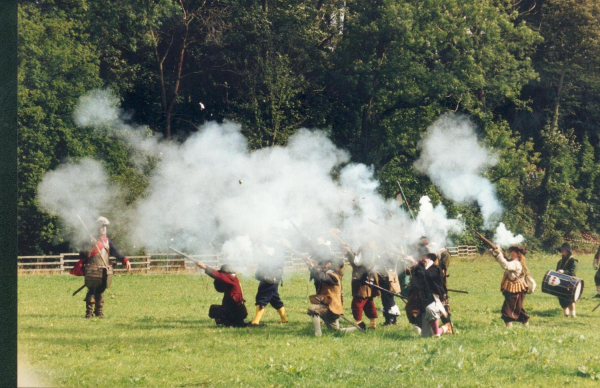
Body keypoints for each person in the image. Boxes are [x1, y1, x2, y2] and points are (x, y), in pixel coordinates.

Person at [70, 217, 131, 318]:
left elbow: (116, 252)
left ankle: (99, 311)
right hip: (92, 269)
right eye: (101, 227)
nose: (103, 229)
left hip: (104, 270)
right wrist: (90, 245)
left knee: (101, 290)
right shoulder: (89, 240)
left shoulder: (107, 241)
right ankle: (89, 312)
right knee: (92, 290)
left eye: (105, 227)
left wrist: (125, 260)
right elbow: (83, 254)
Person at [406, 253, 452, 337]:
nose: (422, 259)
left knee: (430, 309)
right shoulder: (421, 268)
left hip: (435, 299)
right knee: (426, 335)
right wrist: (413, 265)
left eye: (424, 257)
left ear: (430, 258)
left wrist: (415, 264)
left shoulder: (435, 268)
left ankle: (437, 334)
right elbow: (416, 278)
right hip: (424, 301)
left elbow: (427, 275)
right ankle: (445, 328)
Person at [195, 261, 248, 327]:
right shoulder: (233, 277)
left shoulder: (230, 277)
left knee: (214, 308)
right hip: (238, 312)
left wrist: (204, 268)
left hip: (235, 312)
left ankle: (228, 322)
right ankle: (229, 322)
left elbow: (218, 275)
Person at [249, 244, 287, 326]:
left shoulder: (274, 253)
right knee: (274, 299)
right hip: (268, 278)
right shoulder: (271, 253)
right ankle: (284, 319)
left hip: (270, 279)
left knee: (262, 298)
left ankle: (256, 321)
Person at [345, 242, 380, 330]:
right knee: (368, 302)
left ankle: (359, 323)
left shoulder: (366, 249)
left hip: (363, 280)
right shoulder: (368, 248)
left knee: (357, 303)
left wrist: (349, 253)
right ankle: (372, 323)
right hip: (366, 279)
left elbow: (358, 265)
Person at [492, 245, 530, 327]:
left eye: (513, 252)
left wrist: (499, 254)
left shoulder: (516, 263)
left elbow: (506, 265)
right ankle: (527, 326)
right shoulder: (514, 261)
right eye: (511, 251)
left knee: (507, 310)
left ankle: (509, 331)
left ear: (518, 254)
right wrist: (496, 253)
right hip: (513, 288)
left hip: (516, 289)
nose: (511, 253)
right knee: (518, 309)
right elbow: (505, 261)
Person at [306, 258, 344, 336]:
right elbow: (318, 276)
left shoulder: (333, 276)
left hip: (332, 307)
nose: (325, 265)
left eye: (328, 263)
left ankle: (318, 333)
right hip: (329, 306)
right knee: (336, 331)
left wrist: (313, 267)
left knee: (312, 309)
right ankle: (358, 328)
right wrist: (311, 267)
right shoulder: (330, 274)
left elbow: (321, 276)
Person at [376, 250, 402, 325]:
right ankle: (389, 319)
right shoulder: (386, 255)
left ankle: (390, 319)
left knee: (388, 300)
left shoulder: (390, 256)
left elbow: (383, 264)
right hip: (385, 278)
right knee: (386, 300)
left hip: (387, 279)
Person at [555, 243, 578, 317]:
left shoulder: (573, 260)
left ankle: (573, 314)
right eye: (561, 250)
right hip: (560, 281)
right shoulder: (559, 261)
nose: (562, 251)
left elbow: (573, 272)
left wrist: (564, 272)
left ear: (567, 251)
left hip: (570, 281)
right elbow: (557, 271)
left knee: (570, 299)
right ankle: (566, 314)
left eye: (563, 250)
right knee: (561, 298)